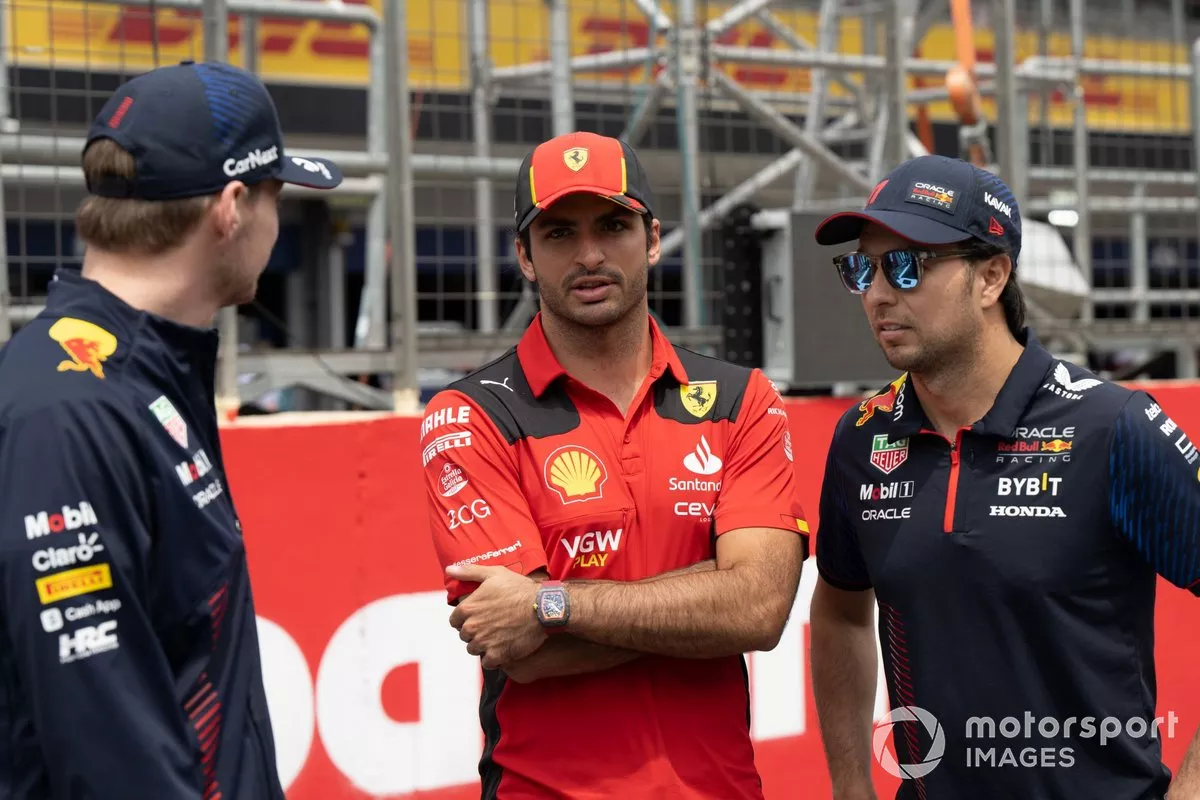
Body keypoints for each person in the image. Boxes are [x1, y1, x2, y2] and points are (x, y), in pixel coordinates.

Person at [420, 131, 809, 799]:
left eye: (613, 226)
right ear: (525, 256)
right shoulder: (469, 415)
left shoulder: (742, 399)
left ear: (652, 240)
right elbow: (527, 654)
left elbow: (761, 611)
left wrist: (551, 601)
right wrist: (713, 594)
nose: (590, 255)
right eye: (560, 234)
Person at [808, 154, 1200, 800]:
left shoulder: (1113, 427)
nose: (878, 293)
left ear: (991, 277)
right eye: (862, 268)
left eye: (907, 265)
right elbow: (841, 612)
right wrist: (852, 788)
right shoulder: (862, 440)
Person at [0, 60, 342, 798]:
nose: (278, 223)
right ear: (232, 207)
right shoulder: (72, 410)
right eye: (279, 197)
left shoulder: (136, 374)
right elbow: (106, 745)